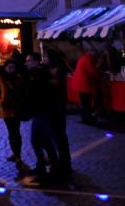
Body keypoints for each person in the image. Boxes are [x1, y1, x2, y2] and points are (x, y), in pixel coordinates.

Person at [43, 49, 73, 181]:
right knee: (58, 135)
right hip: (56, 106)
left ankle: (64, 162)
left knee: (59, 135)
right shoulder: (53, 69)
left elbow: (56, 87)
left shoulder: (56, 71)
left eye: (45, 56)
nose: (43, 58)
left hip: (56, 106)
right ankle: (62, 160)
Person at [0, 59, 28, 163]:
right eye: (9, 67)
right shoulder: (0, 78)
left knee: (15, 131)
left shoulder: (18, 77)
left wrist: (22, 99)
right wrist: (0, 101)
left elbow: (25, 90)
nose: (11, 69)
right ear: (5, 68)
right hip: (6, 109)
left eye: (13, 67)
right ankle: (15, 153)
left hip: (17, 108)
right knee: (11, 131)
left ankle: (17, 154)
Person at [73, 46, 103, 125]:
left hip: (81, 84)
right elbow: (92, 72)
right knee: (86, 103)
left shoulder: (84, 58)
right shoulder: (88, 60)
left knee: (85, 102)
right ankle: (87, 118)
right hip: (84, 85)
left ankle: (86, 117)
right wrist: (102, 76)